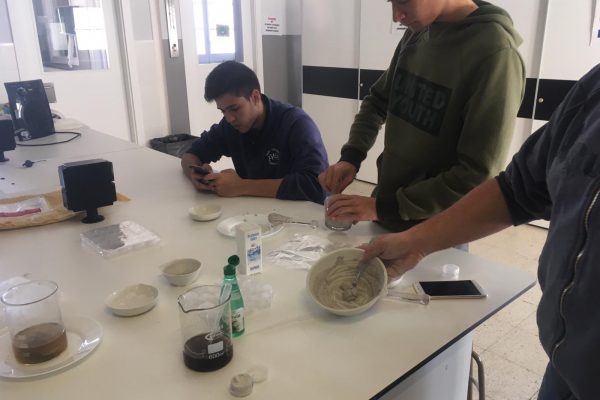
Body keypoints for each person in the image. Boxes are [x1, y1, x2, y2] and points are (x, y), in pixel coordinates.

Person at [360, 64, 600, 400]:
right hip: (564, 358)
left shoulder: (495, 55)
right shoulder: (594, 88)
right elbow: (517, 189)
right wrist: (415, 242)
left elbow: (477, 171)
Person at [320, 0, 525, 231]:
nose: (396, 16)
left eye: (404, 1)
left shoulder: (496, 53)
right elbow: (377, 101)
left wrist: (384, 207)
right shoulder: (418, 31)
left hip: (437, 229)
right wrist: (351, 156)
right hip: (387, 211)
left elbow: (477, 175)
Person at [181, 61, 328, 204]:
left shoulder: (296, 123)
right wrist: (194, 174)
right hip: (252, 213)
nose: (229, 118)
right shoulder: (229, 125)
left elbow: (317, 185)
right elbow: (191, 154)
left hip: (298, 214)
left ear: (255, 97)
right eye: (222, 111)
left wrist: (241, 186)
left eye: (234, 108)